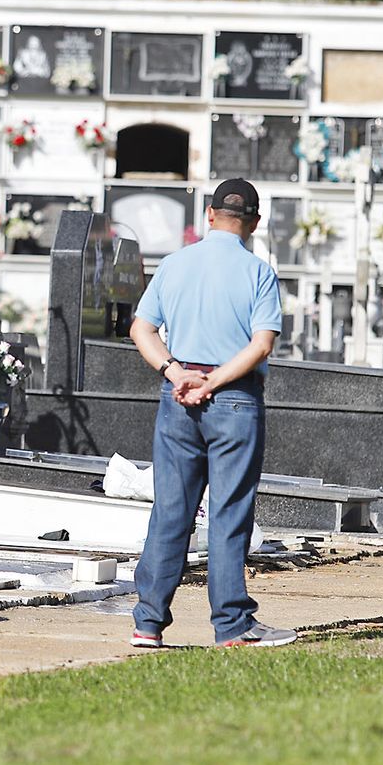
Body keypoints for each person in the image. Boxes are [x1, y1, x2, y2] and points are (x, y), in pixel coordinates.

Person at [128, 178, 295, 649]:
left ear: (209, 214)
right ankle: (232, 624)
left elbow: (142, 328)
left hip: (177, 399)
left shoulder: (175, 264)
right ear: (254, 224)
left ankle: (148, 622)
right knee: (228, 513)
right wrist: (214, 382)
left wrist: (176, 372)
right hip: (235, 399)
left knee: (170, 512)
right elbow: (261, 344)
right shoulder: (258, 272)